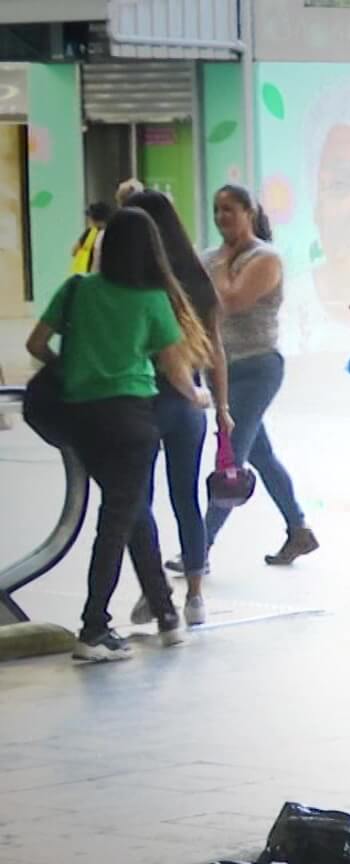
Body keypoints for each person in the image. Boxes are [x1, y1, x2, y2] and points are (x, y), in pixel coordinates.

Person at [24, 208, 213, 661]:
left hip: (81, 420)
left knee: (131, 513)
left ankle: (167, 617)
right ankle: (94, 629)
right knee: (115, 523)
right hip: (131, 420)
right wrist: (199, 398)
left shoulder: (76, 290)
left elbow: (35, 344)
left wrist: (72, 368)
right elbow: (175, 368)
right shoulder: (152, 301)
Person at [196, 184, 318, 569]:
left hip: (257, 366)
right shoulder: (212, 256)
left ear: (250, 212)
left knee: (232, 459)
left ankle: (198, 547)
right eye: (216, 210)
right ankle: (298, 529)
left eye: (229, 210)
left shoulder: (265, 258)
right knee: (261, 454)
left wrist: (216, 266)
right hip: (219, 368)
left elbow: (230, 301)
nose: (221, 218)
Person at [123, 191, 229, 629]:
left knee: (137, 500)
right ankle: (196, 597)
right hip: (189, 404)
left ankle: (155, 593)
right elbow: (216, 350)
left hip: (140, 401)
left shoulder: (131, 285)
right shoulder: (197, 281)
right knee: (185, 497)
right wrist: (222, 407)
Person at [70, 203, 109, 274]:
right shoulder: (112, 231)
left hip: (90, 274)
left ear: (91, 218)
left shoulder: (90, 232)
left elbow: (74, 251)